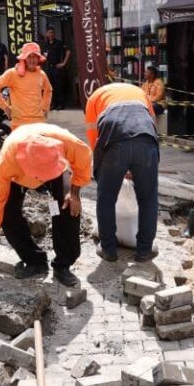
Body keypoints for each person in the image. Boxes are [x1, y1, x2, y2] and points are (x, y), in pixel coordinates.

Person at [0, 123, 92, 285]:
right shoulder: (8, 161)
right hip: (19, 175)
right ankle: (35, 261)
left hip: (57, 169)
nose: (43, 180)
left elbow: (84, 157)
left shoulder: (67, 142)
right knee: (7, 212)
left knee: (68, 207)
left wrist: (74, 192)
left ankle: (63, 265)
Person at [85, 83, 159, 263]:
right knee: (148, 198)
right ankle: (144, 250)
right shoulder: (141, 93)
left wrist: (108, 163)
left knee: (106, 198)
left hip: (113, 143)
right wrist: (136, 161)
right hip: (146, 140)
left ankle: (108, 249)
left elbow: (94, 136)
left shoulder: (95, 96)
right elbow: (152, 125)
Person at [0, 42, 52, 130]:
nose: (32, 60)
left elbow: (48, 90)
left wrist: (45, 108)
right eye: (29, 56)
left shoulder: (41, 74)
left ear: (38, 58)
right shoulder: (13, 73)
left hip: (38, 122)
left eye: (35, 56)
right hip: (20, 124)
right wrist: (5, 107)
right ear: (24, 58)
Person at [41, 28, 70, 110]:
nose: (50, 35)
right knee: (50, 87)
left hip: (57, 67)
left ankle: (60, 104)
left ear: (54, 34)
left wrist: (63, 63)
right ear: (46, 34)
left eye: (52, 33)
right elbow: (44, 56)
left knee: (58, 86)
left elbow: (68, 51)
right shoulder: (46, 44)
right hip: (49, 68)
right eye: (49, 33)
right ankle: (53, 104)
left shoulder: (59, 43)